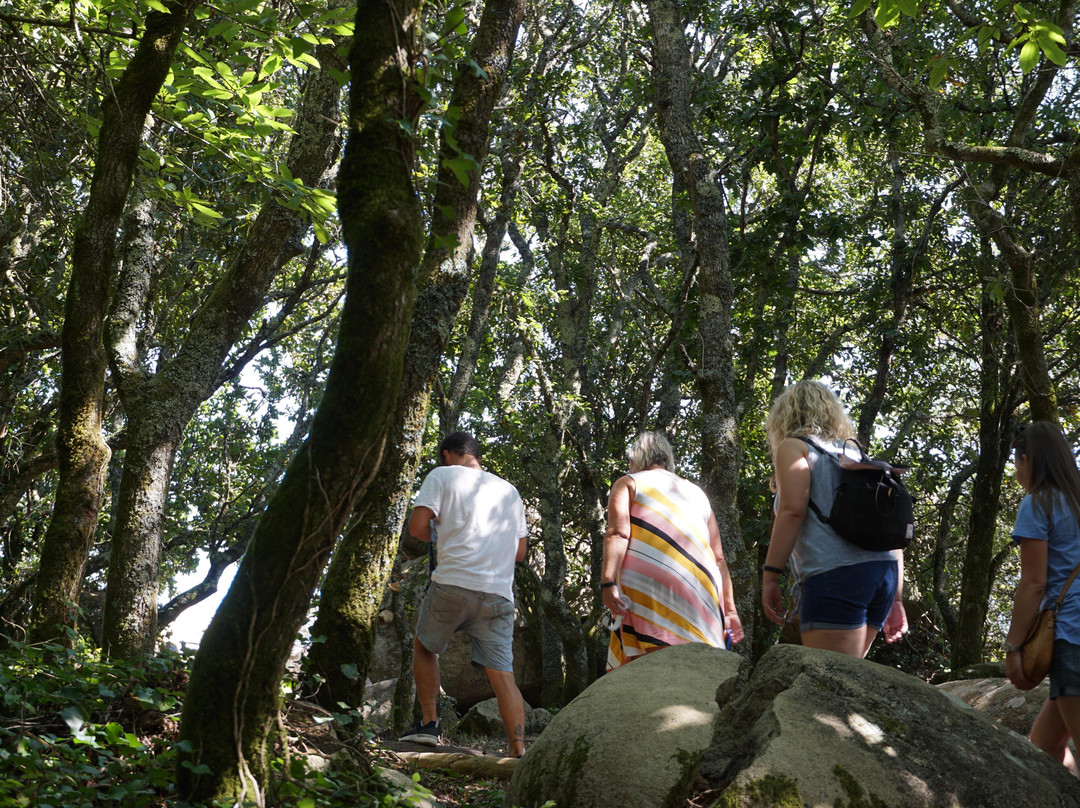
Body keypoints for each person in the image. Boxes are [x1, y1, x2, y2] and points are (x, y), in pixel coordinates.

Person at [400, 431, 528, 758]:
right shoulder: (509, 491)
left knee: (425, 647)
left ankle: (429, 725)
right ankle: (518, 750)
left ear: (447, 454)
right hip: (498, 594)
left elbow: (416, 528)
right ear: (476, 455)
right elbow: (519, 552)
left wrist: (444, 530)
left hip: (453, 585)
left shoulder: (441, 476)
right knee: (503, 675)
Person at [760, 380, 908, 657]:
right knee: (847, 678)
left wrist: (770, 576)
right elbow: (889, 525)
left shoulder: (795, 447)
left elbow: (792, 510)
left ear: (784, 416)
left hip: (836, 575)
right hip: (884, 574)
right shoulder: (854, 454)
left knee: (832, 684)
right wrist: (897, 598)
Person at [601, 431, 744, 669]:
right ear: (667, 459)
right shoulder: (697, 494)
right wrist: (730, 611)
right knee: (696, 668)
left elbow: (618, 533)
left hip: (648, 587)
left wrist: (608, 583)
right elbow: (719, 559)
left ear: (637, 458)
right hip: (701, 588)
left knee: (649, 669)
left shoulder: (629, 482)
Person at [1005, 421, 1080, 776]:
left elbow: (1034, 584)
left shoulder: (1039, 502)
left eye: (1016, 462)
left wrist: (1014, 647)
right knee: (1045, 745)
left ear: (1027, 460)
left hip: (1073, 636)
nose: (1016, 471)